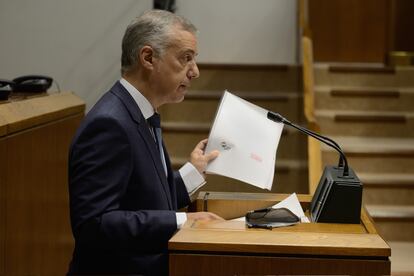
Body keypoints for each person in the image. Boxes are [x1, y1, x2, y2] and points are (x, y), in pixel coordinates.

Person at [67, 9, 223, 275]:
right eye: (185, 59)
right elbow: (94, 224)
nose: (195, 71)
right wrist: (182, 220)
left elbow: (144, 199)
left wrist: (192, 173)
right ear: (148, 58)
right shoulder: (110, 123)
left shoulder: (139, 112)